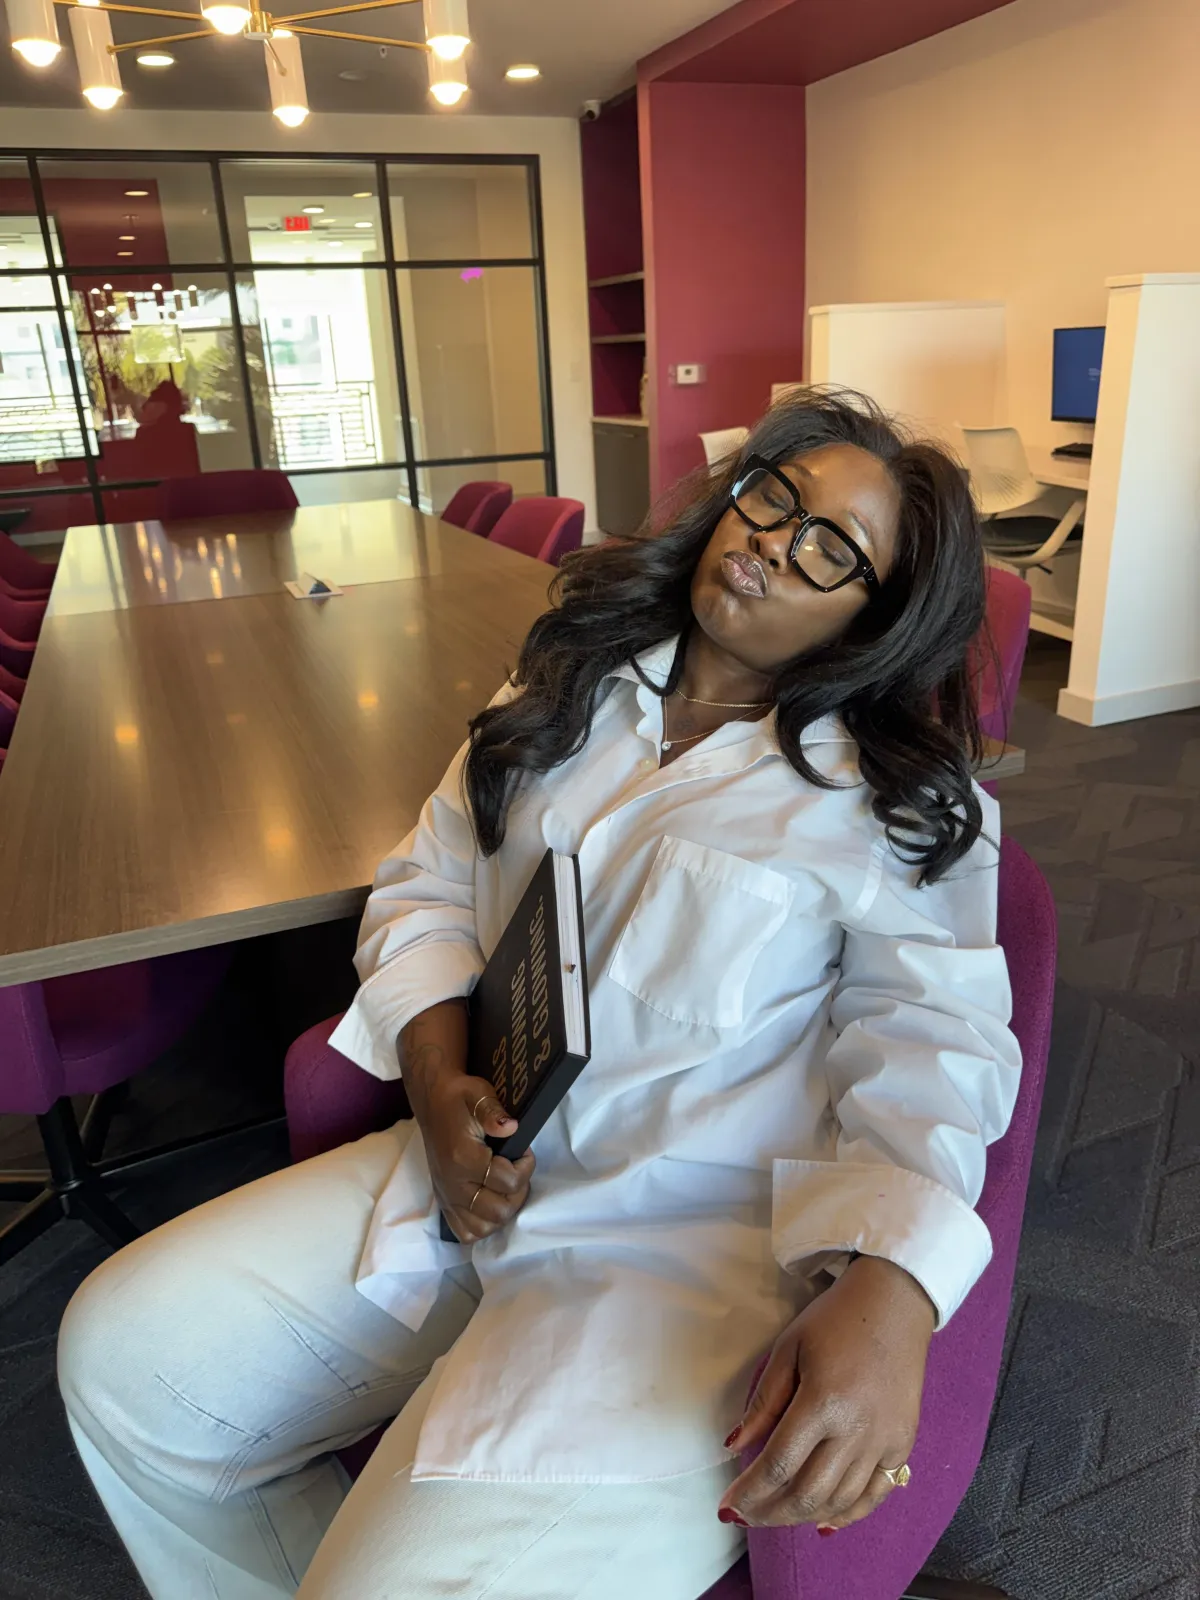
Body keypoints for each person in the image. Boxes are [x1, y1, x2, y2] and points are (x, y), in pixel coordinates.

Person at [58, 388, 1021, 1600]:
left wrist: (893, 1283)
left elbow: (939, 1043)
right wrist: (434, 1074)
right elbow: (431, 879)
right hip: (471, 1174)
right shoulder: (572, 681)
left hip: (678, 1253)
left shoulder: (891, 807)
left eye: (834, 547)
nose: (776, 540)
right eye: (773, 496)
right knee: (124, 1359)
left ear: (872, 621)